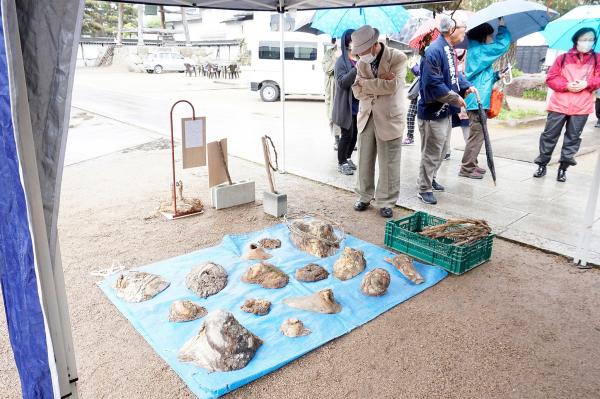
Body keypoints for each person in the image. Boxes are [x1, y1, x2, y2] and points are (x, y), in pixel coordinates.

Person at [416, 15, 475, 205]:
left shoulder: (448, 49)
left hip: (445, 111)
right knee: (432, 152)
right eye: (463, 28)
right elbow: (433, 84)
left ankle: (431, 179)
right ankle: (423, 188)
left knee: (442, 151)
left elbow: (454, 75)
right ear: (451, 30)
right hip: (432, 113)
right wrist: (455, 98)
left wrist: (466, 86)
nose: (464, 32)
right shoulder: (434, 50)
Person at [351, 25, 407, 218]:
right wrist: (378, 83)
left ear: (375, 45)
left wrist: (366, 84)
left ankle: (387, 201)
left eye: (363, 51)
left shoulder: (397, 58)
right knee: (364, 159)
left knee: (389, 162)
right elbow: (356, 91)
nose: (360, 56)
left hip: (390, 117)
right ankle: (363, 196)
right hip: (367, 115)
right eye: (357, 53)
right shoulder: (360, 64)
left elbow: (393, 86)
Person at [533, 27, 600, 182]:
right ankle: (541, 164)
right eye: (584, 39)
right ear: (576, 40)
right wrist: (567, 85)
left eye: (591, 39)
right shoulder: (562, 58)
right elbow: (551, 78)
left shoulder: (597, 59)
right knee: (549, 136)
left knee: (573, 138)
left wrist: (586, 83)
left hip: (582, 106)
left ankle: (563, 168)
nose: (588, 42)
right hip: (559, 104)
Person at [460, 20, 511, 179]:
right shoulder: (479, 51)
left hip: (475, 99)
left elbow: (481, 76)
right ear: (483, 36)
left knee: (476, 134)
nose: (492, 38)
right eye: (491, 35)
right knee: (477, 135)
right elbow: (502, 46)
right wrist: (502, 27)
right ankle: (466, 168)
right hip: (476, 101)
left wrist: (496, 75)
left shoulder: (476, 50)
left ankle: (471, 163)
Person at [332, 29, 358, 176]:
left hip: (356, 104)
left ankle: (347, 158)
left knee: (355, 135)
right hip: (345, 105)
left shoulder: (358, 58)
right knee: (346, 135)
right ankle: (341, 162)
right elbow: (342, 82)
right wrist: (356, 69)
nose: (355, 43)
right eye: (353, 40)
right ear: (347, 42)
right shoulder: (340, 62)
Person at [323, 37, 341, 150]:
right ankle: (337, 139)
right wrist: (337, 58)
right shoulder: (329, 53)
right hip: (333, 88)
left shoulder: (352, 51)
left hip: (347, 87)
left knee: (349, 114)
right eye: (338, 38)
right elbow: (327, 69)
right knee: (333, 114)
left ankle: (348, 140)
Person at [403, 61, 420, 146]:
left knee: (425, 120)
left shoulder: (431, 53)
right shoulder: (423, 55)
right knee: (410, 115)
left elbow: (421, 71)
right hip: (418, 93)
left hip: (426, 92)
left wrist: (414, 67)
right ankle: (410, 137)